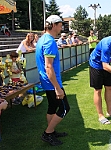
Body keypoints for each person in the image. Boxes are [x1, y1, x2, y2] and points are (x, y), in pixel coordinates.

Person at [35, 15, 70, 146]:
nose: (61, 27)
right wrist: (57, 87)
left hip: (46, 81)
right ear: (54, 25)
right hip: (51, 82)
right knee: (65, 108)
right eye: (60, 25)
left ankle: (52, 130)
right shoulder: (49, 41)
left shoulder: (43, 39)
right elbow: (48, 66)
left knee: (52, 106)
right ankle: (48, 133)